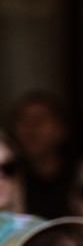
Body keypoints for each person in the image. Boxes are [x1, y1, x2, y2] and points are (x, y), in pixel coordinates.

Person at [8, 91, 74, 220]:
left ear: (61, 129)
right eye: (23, 120)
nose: (31, 128)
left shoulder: (80, 179)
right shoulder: (8, 176)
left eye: (39, 120)